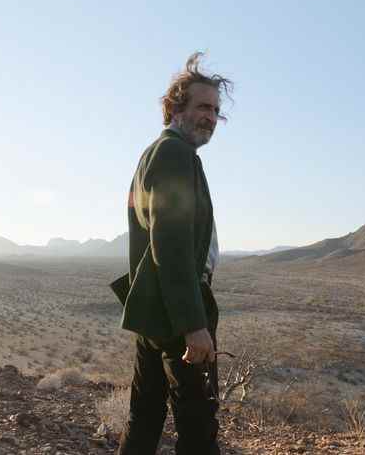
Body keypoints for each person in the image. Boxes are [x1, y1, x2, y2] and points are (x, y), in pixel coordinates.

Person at [109, 52, 232, 454]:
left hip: (154, 309)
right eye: (202, 107)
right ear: (176, 108)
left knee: (144, 415)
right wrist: (192, 324)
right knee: (197, 422)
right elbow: (171, 244)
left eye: (215, 110)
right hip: (178, 310)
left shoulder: (158, 154)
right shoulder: (174, 155)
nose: (210, 117)